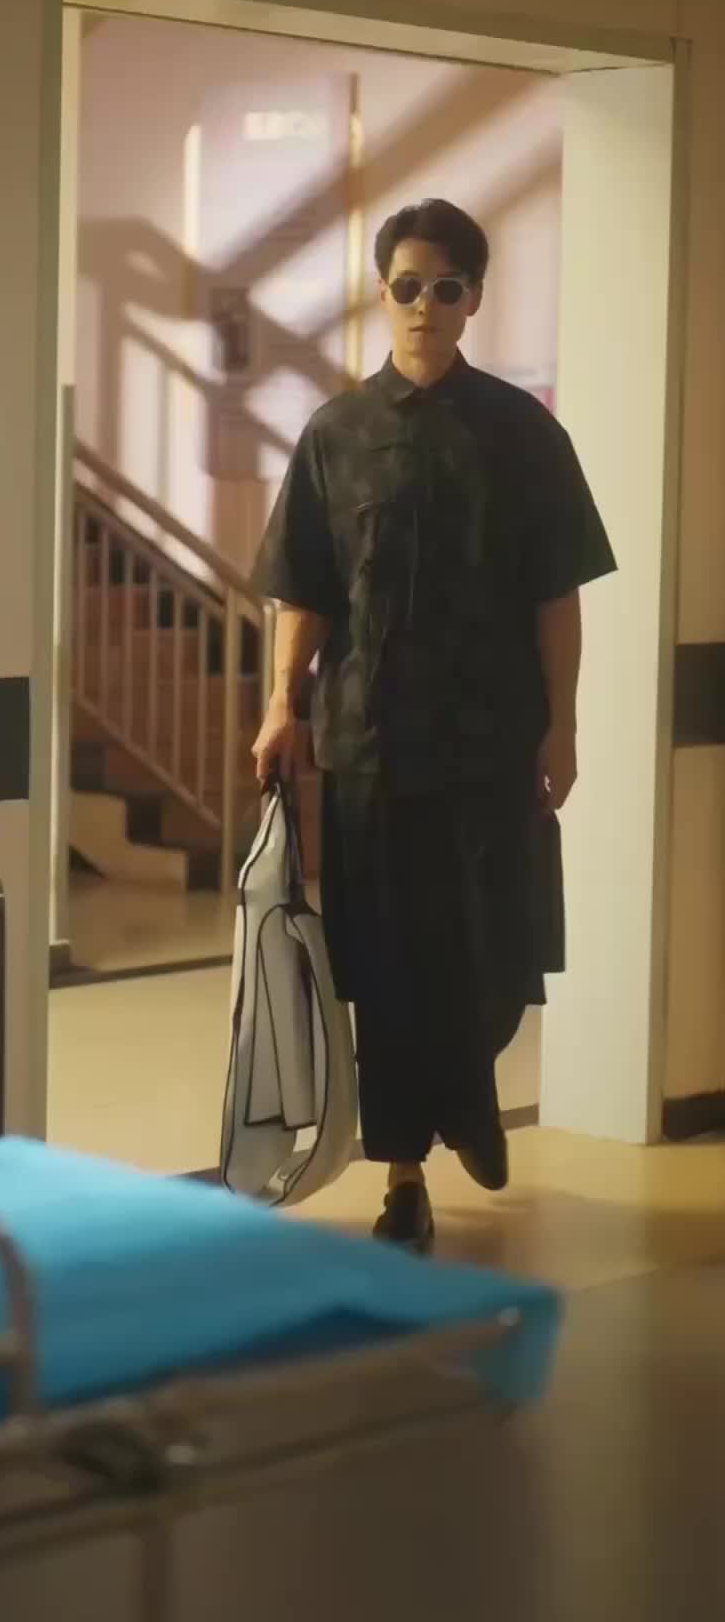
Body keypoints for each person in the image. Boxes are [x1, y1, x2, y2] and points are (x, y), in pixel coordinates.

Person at [250, 199, 615, 1253]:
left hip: (491, 742)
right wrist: (282, 703)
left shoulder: (524, 434)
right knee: (387, 965)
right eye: (407, 286)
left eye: (445, 287)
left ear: (473, 300)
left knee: (494, 946)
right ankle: (405, 1175)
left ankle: (472, 1096)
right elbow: (304, 589)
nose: (424, 305)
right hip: (372, 747)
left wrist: (564, 728)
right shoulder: (336, 434)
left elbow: (556, 596)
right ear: (384, 293)